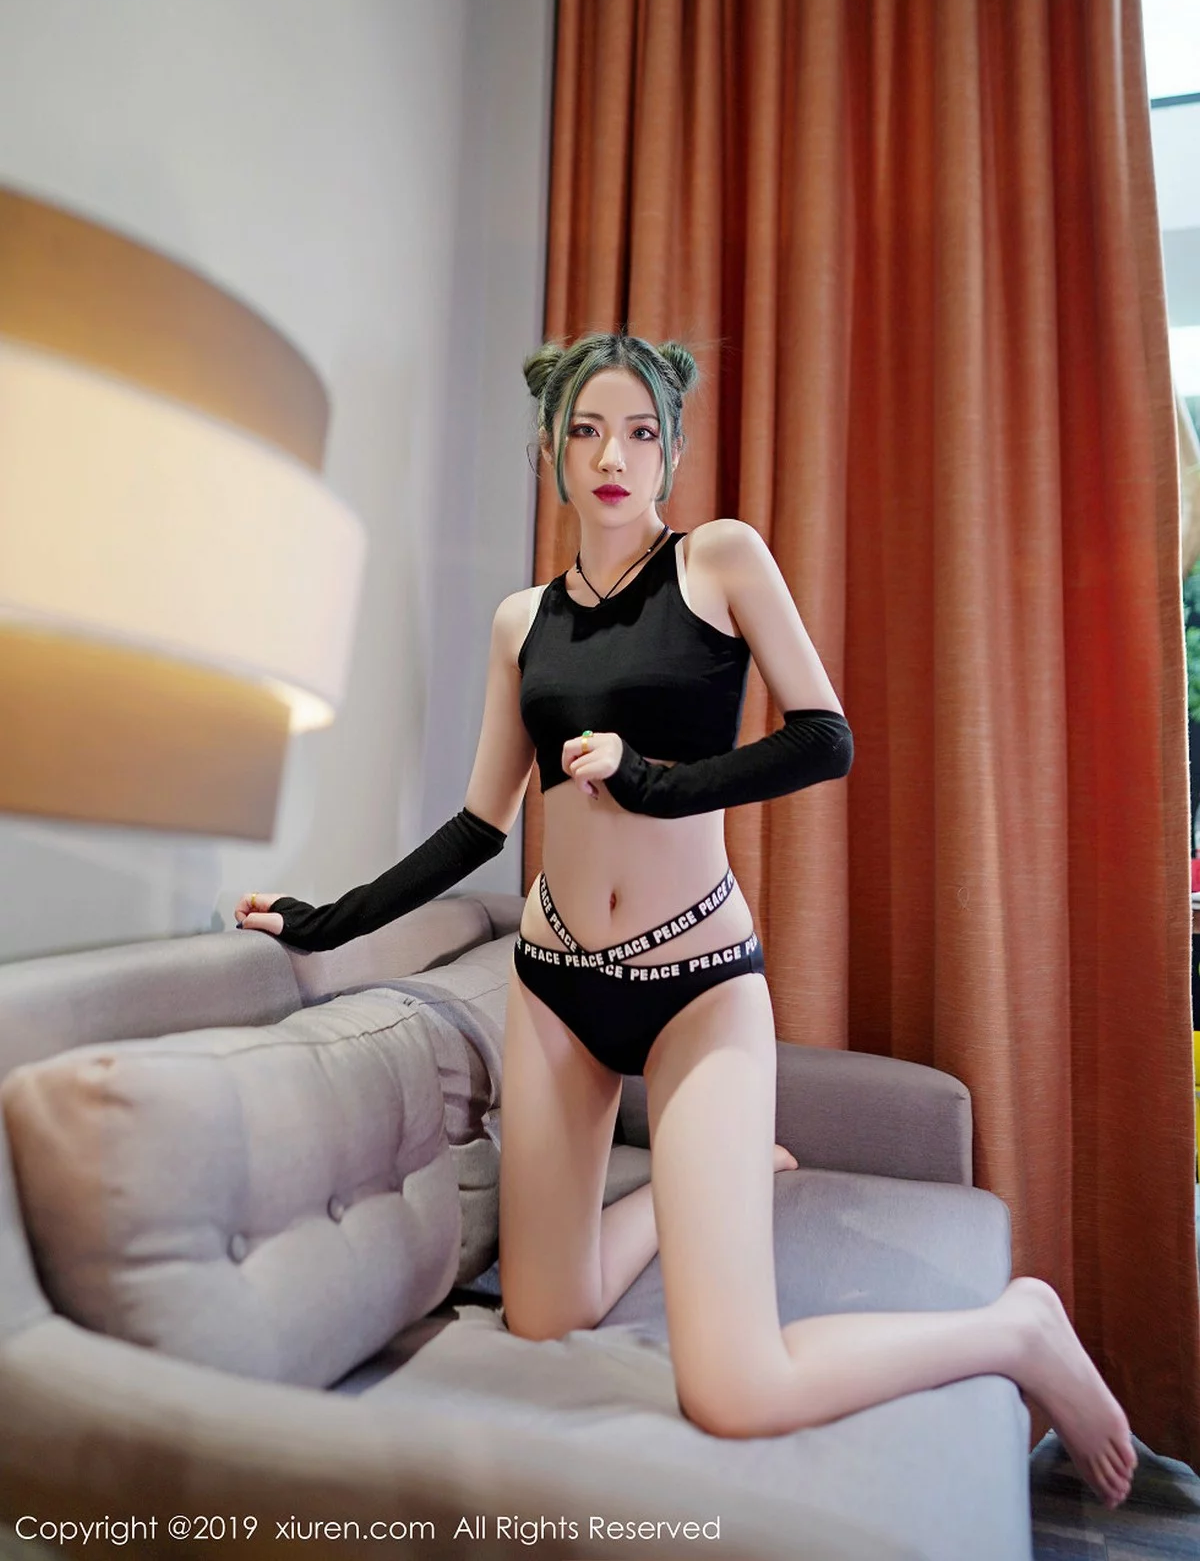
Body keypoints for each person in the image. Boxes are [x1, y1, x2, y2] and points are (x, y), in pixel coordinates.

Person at [236, 332, 1136, 1507]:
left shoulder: (718, 561)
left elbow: (824, 738)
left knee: (736, 1390)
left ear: (671, 450)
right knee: (541, 1314)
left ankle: (1016, 1328)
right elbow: (477, 827)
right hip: (554, 986)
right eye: (587, 431)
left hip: (696, 982)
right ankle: (693, 1189)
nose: (613, 456)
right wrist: (322, 920)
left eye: (640, 432)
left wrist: (648, 779)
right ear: (552, 451)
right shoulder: (521, 621)